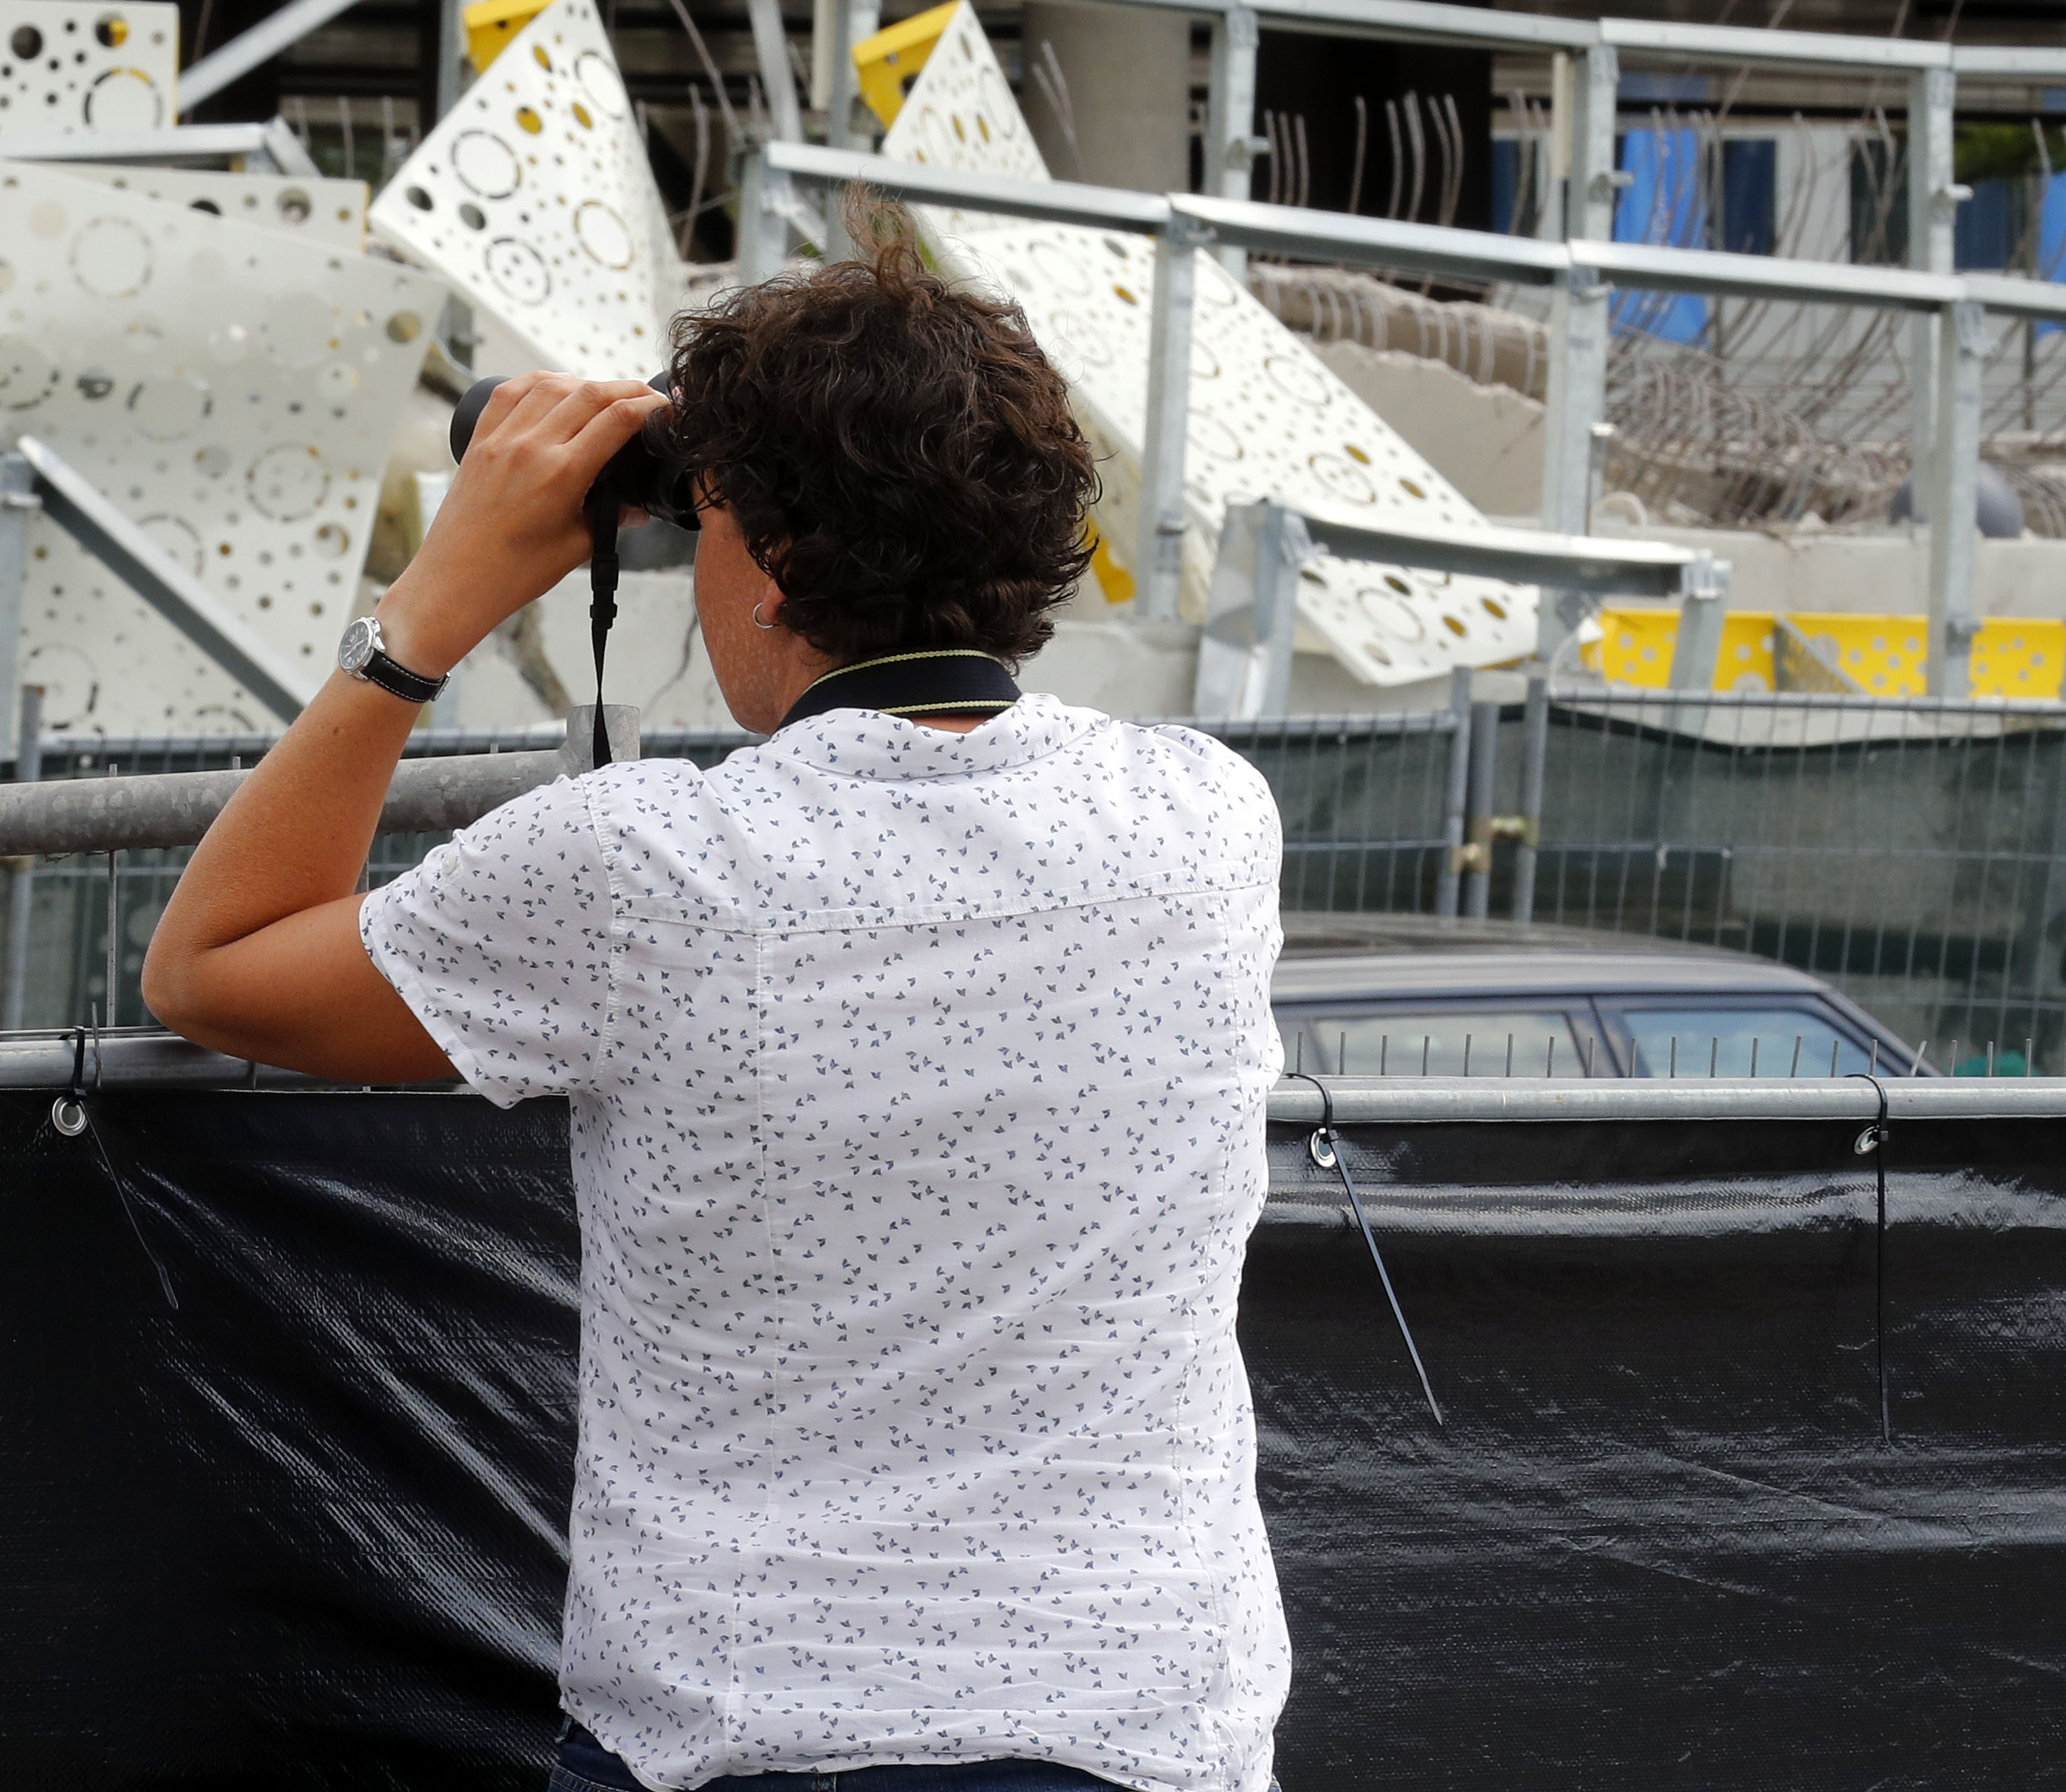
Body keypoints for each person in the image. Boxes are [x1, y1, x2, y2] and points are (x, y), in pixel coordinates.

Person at [145, 229, 1288, 1792]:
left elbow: (213, 965)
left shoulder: (643, 871)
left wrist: (433, 601)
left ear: (764, 561)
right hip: (1148, 1731)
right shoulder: (1207, 821)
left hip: (752, 1734)